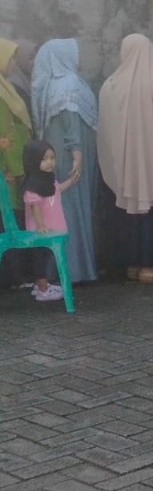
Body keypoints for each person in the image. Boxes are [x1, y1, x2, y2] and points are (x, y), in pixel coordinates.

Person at [98, 33, 153, 283]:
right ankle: (150, 267)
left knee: (125, 214)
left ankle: (130, 266)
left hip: (123, 168)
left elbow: (105, 132)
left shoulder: (110, 85)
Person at [30, 39, 99, 284]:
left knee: (61, 211)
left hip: (59, 157)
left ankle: (62, 269)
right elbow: (70, 123)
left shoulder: (51, 85)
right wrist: (77, 154)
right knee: (71, 211)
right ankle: (76, 269)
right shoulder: (67, 84)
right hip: (71, 159)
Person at [22, 139, 78, 302]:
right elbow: (35, 206)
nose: (50, 162)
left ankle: (41, 286)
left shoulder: (48, 180)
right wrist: (41, 225)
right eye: (44, 159)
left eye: (52, 158)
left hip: (51, 227)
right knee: (40, 257)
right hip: (41, 230)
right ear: (33, 160)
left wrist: (71, 181)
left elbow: (57, 189)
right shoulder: (33, 184)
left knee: (46, 256)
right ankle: (43, 290)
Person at [0, 40, 35, 219]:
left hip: (17, 163)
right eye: (9, 59)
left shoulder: (6, 88)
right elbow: (5, 136)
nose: (13, 64)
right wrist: (21, 171)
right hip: (11, 168)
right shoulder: (1, 95)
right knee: (11, 221)